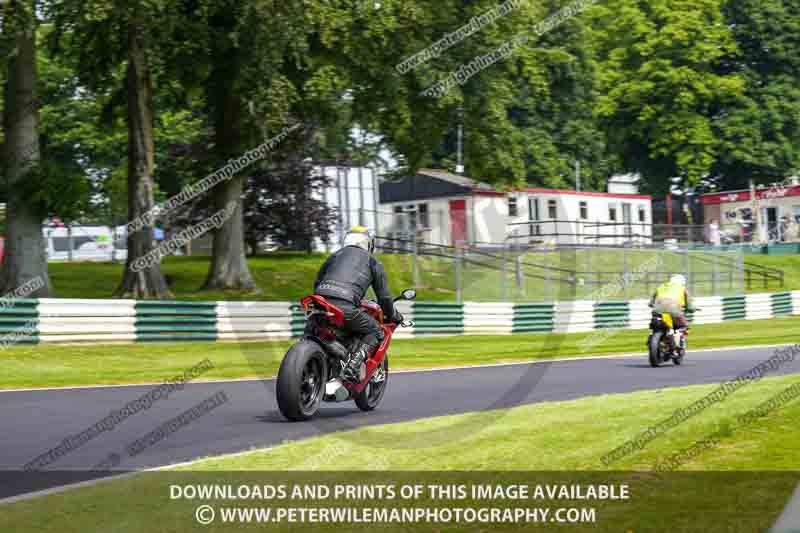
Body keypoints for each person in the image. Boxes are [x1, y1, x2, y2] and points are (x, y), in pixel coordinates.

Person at [313, 226, 403, 382]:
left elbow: (317, 282)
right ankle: (352, 367)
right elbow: (384, 297)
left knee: (313, 327)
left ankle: (308, 351)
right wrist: (394, 315)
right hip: (345, 306)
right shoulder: (373, 262)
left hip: (319, 302)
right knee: (376, 331)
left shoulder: (334, 256)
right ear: (369, 244)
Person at [649, 274, 694, 351]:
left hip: (657, 309)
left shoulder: (661, 286)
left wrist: (652, 304)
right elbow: (689, 304)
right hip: (674, 310)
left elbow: (651, 302)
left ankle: (652, 339)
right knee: (683, 326)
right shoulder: (682, 288)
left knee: (655, 326)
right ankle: (677, 345)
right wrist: (690, 308)